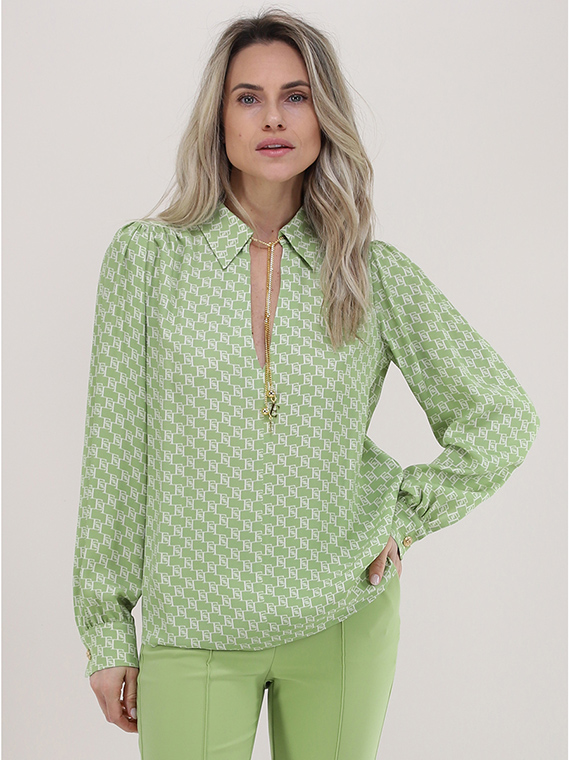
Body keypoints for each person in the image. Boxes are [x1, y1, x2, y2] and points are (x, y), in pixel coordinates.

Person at [72, 8, 540, 760]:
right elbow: (115, 456)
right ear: (218, 118)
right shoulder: (148, 261)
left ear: (324, 117)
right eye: (248, 98)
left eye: (296, 96)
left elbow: (502, 415)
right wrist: (106, 631)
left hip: (342, 613)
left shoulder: (369, 273)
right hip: (194, 621)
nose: (273, 118)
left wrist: (406, 519)